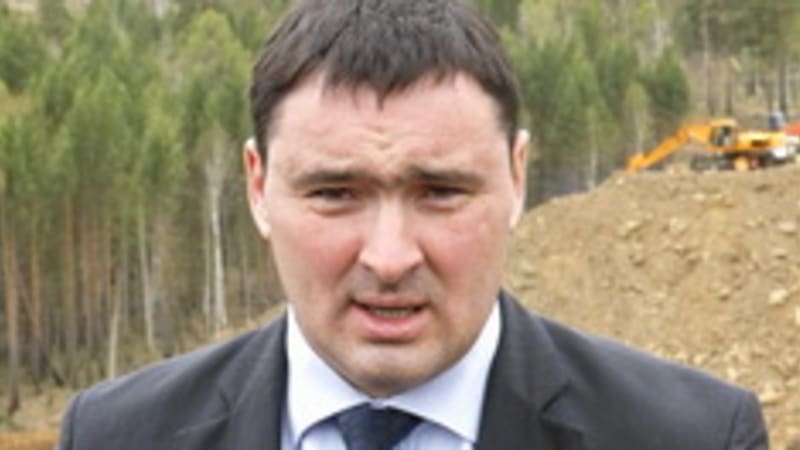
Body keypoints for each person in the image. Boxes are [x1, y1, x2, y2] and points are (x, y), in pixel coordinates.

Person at [56, 0, 770, 449]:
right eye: (335, 193)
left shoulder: (694, 437)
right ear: (258, 187)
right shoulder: (114, 436)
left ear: (517, 177)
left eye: (441, 192)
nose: (390, 257)